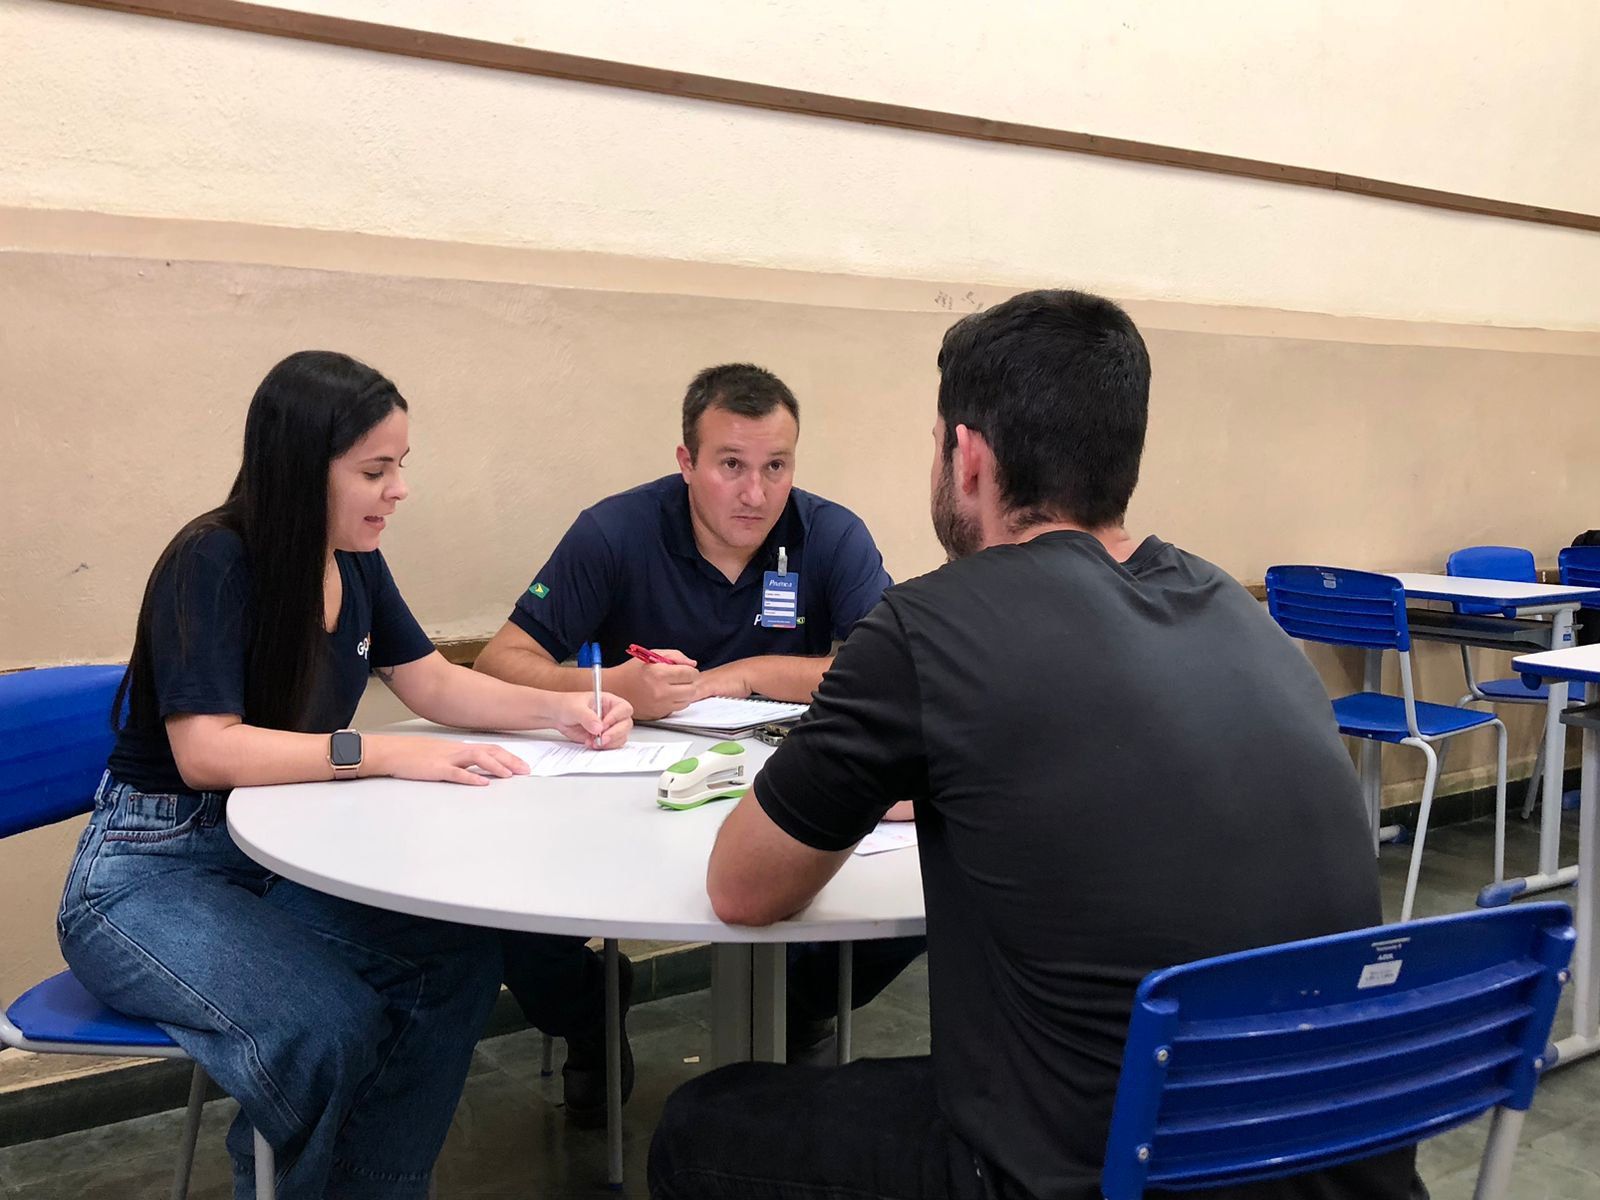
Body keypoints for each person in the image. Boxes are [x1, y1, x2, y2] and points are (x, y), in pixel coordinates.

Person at [647, 291, 1424, 1200]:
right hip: (1325, 1158)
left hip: (1101, 1172)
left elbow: (741, 890)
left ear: (968, 457)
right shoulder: (1244, 616)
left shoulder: (931, 626)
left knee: (700, 1125)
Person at [56, 351, 632, 1200]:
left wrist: (567, 710)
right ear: (301, 468)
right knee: (325, 1024)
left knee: (454, 959)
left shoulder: (354, 558)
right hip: (148, 873)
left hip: (273, 857)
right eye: (374, 470)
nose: (399, 490)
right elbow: (206, 751)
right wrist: (383, 752)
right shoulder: (211, 560)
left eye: (401, 466)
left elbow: (432, 682)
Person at [474, 362, 925, 1066]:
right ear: (686, 462)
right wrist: (609, 686)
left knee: (928, 882)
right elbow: (498, 662)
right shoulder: (614, 532)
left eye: (776, 466)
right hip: (632, 795)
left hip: (783, 788)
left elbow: (889, 669)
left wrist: (746, 674)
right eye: (731, 465)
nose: (756, 493)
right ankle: (591, 1011)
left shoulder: (831, 535)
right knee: (505, 912)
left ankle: (798, 1007)